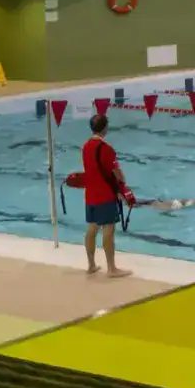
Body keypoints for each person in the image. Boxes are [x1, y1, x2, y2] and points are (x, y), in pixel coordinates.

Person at [80, 114, 134, 278]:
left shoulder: (86, 146)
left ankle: (91, 265)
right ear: (105, 128)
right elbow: (117, 173)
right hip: (105, 195)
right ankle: (112, 268)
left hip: (90, 195)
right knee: (108, 230)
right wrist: (123, 182)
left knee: (92, 228)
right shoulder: (106, 149)